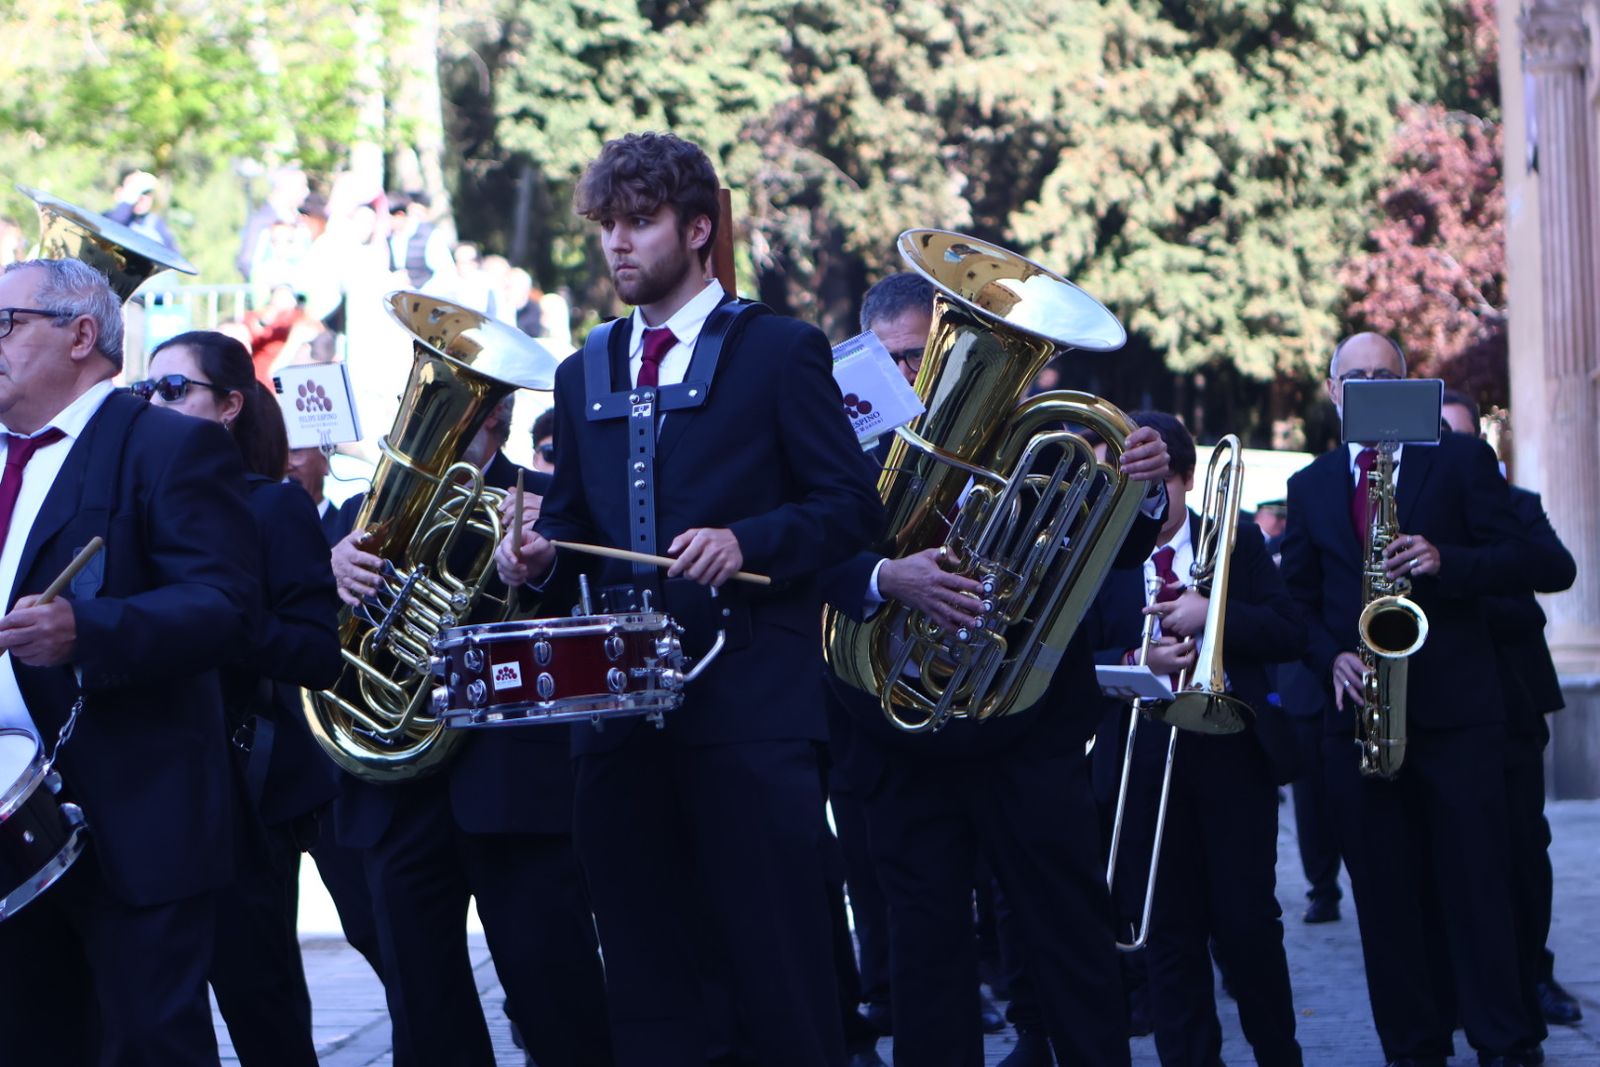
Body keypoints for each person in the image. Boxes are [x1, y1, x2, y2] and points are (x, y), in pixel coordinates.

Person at [495, 130, 883, 1067]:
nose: (617, 243)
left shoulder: (781, 350)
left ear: (699, 227)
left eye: (640, 222)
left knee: (781, 972)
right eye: (606, 226)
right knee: (648, 981)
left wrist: (749, 539)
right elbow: (578, 525)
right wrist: (535, 559)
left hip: (750, 709)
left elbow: (850, 511)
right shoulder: (583, 365)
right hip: (619, 725)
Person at [817, 285, 1173, 1066]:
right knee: (926, 957)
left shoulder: (1037, 434)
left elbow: (1109, 553)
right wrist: (886, 575)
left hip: (1026, 728)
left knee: (1072, 934)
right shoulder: (833, 442)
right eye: (902, 358)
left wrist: (1141, 492)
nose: (920, 376)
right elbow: (804, 556)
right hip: (897, 731)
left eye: (928, 354)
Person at [0, 258, 258, 1065]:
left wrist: (90, 627)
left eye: (6, 324)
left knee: (147, 1043)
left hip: (130, 818)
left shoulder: (168, 446)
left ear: (82, 335)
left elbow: (225, 605)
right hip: (10, 819)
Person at [1279, 332, 1555, 1067]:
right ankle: (1414, 1047)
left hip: (1460, 717)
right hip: (1360, 717)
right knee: (1386, 901)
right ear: (1334, 392)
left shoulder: (1461, 459)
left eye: (1384, 375)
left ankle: (1504, 1041)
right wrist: (1328, 654)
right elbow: (1295, 600)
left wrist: (1445, 559)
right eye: (1354, 377)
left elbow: (1528, 561)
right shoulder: (1309, 486)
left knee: (1478, 890)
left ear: (1409, 386)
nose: (1367, 386)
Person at [329, 391, 603, 1067]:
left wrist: (549, 553)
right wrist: (326, 570)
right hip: (397, 786)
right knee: (424, 1011)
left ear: (502, 415)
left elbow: (593, 599)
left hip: (514, 784)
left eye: (487, 403)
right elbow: (310, 635)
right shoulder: (357, 513)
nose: (481, 417)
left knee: (558, 996)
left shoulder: (548, 499)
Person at [138, 330, 344, 1065]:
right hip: (145, 781)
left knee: (262, 1006)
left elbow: (319, 654)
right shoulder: (138, 502)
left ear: (229, 404)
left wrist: (219, 620)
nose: (151, 403)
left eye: (171, 389)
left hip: (243, 790)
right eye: (145, 391)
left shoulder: (274, 507)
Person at [1086, 411, 1305, 1067]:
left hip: (1228, 752)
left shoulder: (1234, 539)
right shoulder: (1097, 551)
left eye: (1159, 486)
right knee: (1167, 936)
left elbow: (1289, 629)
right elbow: (1072, 652)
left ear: (1185, 476)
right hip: (1140, 760)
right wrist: (1137, 655)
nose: (1146, 506)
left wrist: (1214, 615)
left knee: (1246, 926)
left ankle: (1279, 1054)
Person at [1440, 390, 1582, 1035]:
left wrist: (1458, 571)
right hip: (1434, 707)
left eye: (1465, 441)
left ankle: (1534, 974)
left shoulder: (1515, 507)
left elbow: (1554, 571)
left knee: (1523, 850)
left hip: (1511, 701)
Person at [105, 169, 182, 254]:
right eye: (136, 192)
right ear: (119, 191)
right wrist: (129, 200)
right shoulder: (110, 217)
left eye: (147, 194)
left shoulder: (155, 224)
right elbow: (112, 225)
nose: (141, 199)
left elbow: (174, 255)